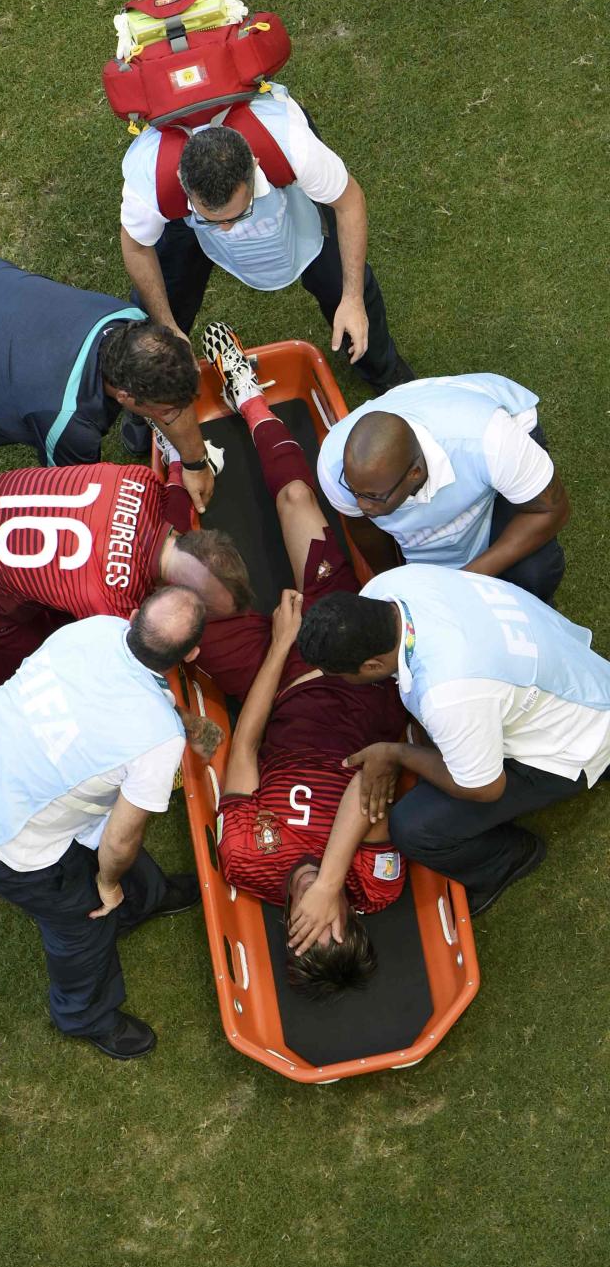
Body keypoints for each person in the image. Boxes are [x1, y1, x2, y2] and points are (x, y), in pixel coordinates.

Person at [190, 325, 408, 998]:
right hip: (354, 662)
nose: (311, 916)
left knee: (184, 615)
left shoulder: (245, 865)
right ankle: (250, 396)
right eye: (329, 925)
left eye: (299, 930)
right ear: (351, 918)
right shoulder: (376, 885)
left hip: (276, 678)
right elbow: (362, 790)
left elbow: (246, 743)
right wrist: (334, 879)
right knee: (294, 502)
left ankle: (179, 465)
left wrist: (282, 645)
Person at [0, 588, 208, 1060]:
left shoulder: (95, 629)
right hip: (0, 832)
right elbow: (122, 840)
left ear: (135, 617)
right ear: (192, 654)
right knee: (84, 916)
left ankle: (146, 900)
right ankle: (84, 1016)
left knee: (98, 830)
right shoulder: (157, 741)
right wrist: (106, 884)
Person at [296, 564, 610, 920]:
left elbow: (484, 788)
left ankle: (507, 859)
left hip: (578, 741)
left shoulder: (448, 694)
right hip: (579, 673)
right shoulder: (388, 587)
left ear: (371, 665)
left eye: (341, 675)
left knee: (415, 828)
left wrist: (397, 753)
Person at [118, 82, 413, 455]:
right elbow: (136, 245)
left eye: (237, 215)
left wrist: (352, 298)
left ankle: (385, 372)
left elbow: (349, 202)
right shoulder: (152, 178)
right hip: (185, 203)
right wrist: (166, 324)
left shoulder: (293, 149)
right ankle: (150, 394)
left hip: (274, 172)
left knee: (340, 281)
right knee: (160, 308)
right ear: (182, 184)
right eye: (212, 220)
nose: (227, 230)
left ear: (254, 168)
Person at [0, 254, 218, 512]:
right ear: (125, 396)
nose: (177, 415)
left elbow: (176, 401)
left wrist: (195, 463)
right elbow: (75, 504)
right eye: (167, 413)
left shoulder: (130, 322)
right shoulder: (66, 422)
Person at [0, 457, 250, 686]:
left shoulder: (139, 478)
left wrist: (177, 466)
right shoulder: (111, 602)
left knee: (50, 599)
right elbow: (121, 673)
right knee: (31, 674)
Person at [316, 373, 569, 601]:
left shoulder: (491, 441)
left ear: (415, 473)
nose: (362, 504)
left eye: (373, 496)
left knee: (535, 571)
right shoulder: (334, 466)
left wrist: (464, 583)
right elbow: (363, 528)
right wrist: (395, 582)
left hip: (499, 438)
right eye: (355, 491)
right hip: (441, 429)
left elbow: (552, 510)